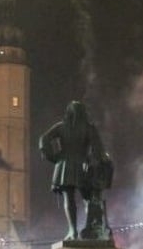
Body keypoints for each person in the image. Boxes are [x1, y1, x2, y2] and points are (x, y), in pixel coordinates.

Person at [39, 100, 113, 240]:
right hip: (83, 165)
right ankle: (90, 228)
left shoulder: (61, 127)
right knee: (89, 199)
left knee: (69, 198)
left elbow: (44, 139)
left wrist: (52, 156)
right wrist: (100, 162)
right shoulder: (89, 128)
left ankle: (72, 231)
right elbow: (98, 150)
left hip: (65, 165)